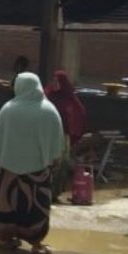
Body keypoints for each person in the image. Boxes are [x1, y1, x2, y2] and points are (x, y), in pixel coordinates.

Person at [0, 72, 65, 254]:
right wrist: (54, 159)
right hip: (37, 170)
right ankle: (36, 242)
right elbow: (57, 142)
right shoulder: (49, 110)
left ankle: (5, 239)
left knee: (7, 204)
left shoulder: (8, 109)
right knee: (35, 207)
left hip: (8, 169)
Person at [46, 70, 87, 201]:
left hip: (63, 136)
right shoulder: (47, 95)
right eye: (53, 81)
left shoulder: (69, 97)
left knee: (61, 164)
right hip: (48, 135)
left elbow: (78, 113)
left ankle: (55, 192)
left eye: (57, 81)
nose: (55, 83)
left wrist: (73, 131)